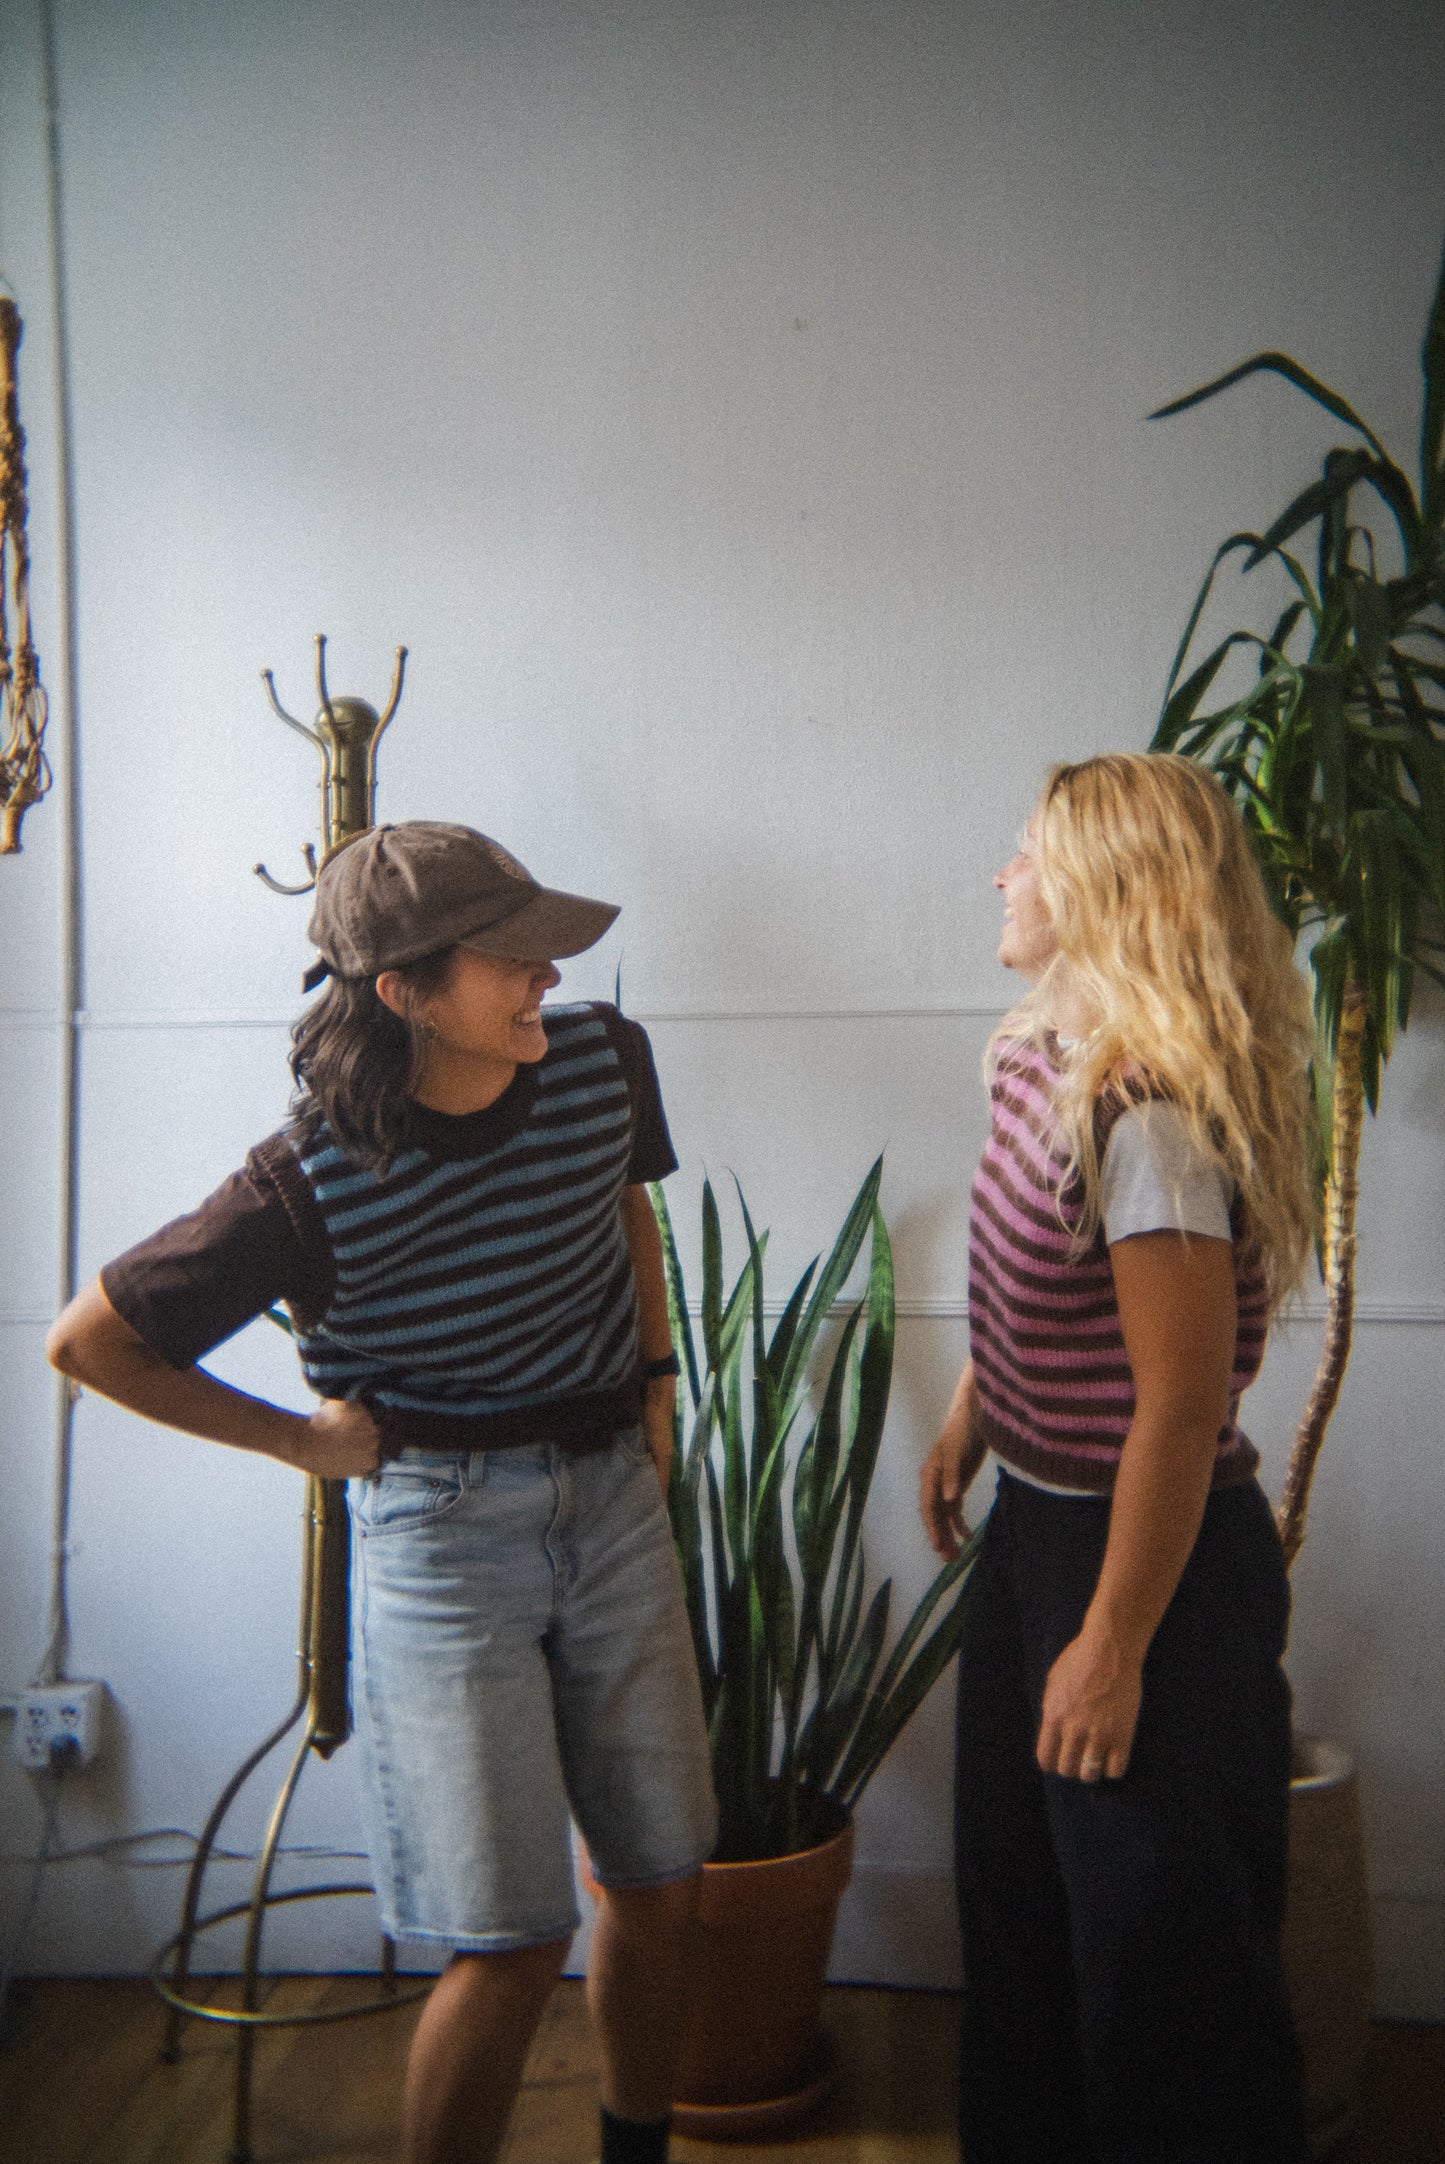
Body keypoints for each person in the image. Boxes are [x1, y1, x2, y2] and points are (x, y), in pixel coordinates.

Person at [48, 821, 718, 2164]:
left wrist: (652, 1384)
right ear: (403, 991)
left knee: (659, 1886)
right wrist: (301, 1442)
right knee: (510, 1943)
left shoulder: (600, 1062)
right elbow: (91, 1341)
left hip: (612, 1504)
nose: (547, 977)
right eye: (510, 957)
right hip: (440, 1542)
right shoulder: (301, 1180)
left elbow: (623, 1206)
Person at [919, 753, 1316, 2164]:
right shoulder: (1044, 1058)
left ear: (1100, 888)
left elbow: (1178, 1401)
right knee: (1023, 1924)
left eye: (1025, 853)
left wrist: (1110, 1642)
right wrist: (980, 1408)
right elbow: (1047, 1278)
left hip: (1147, 1568)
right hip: (1042, 1537)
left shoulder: (1143, 1113)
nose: (1003, 876)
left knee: (1164, 1975)